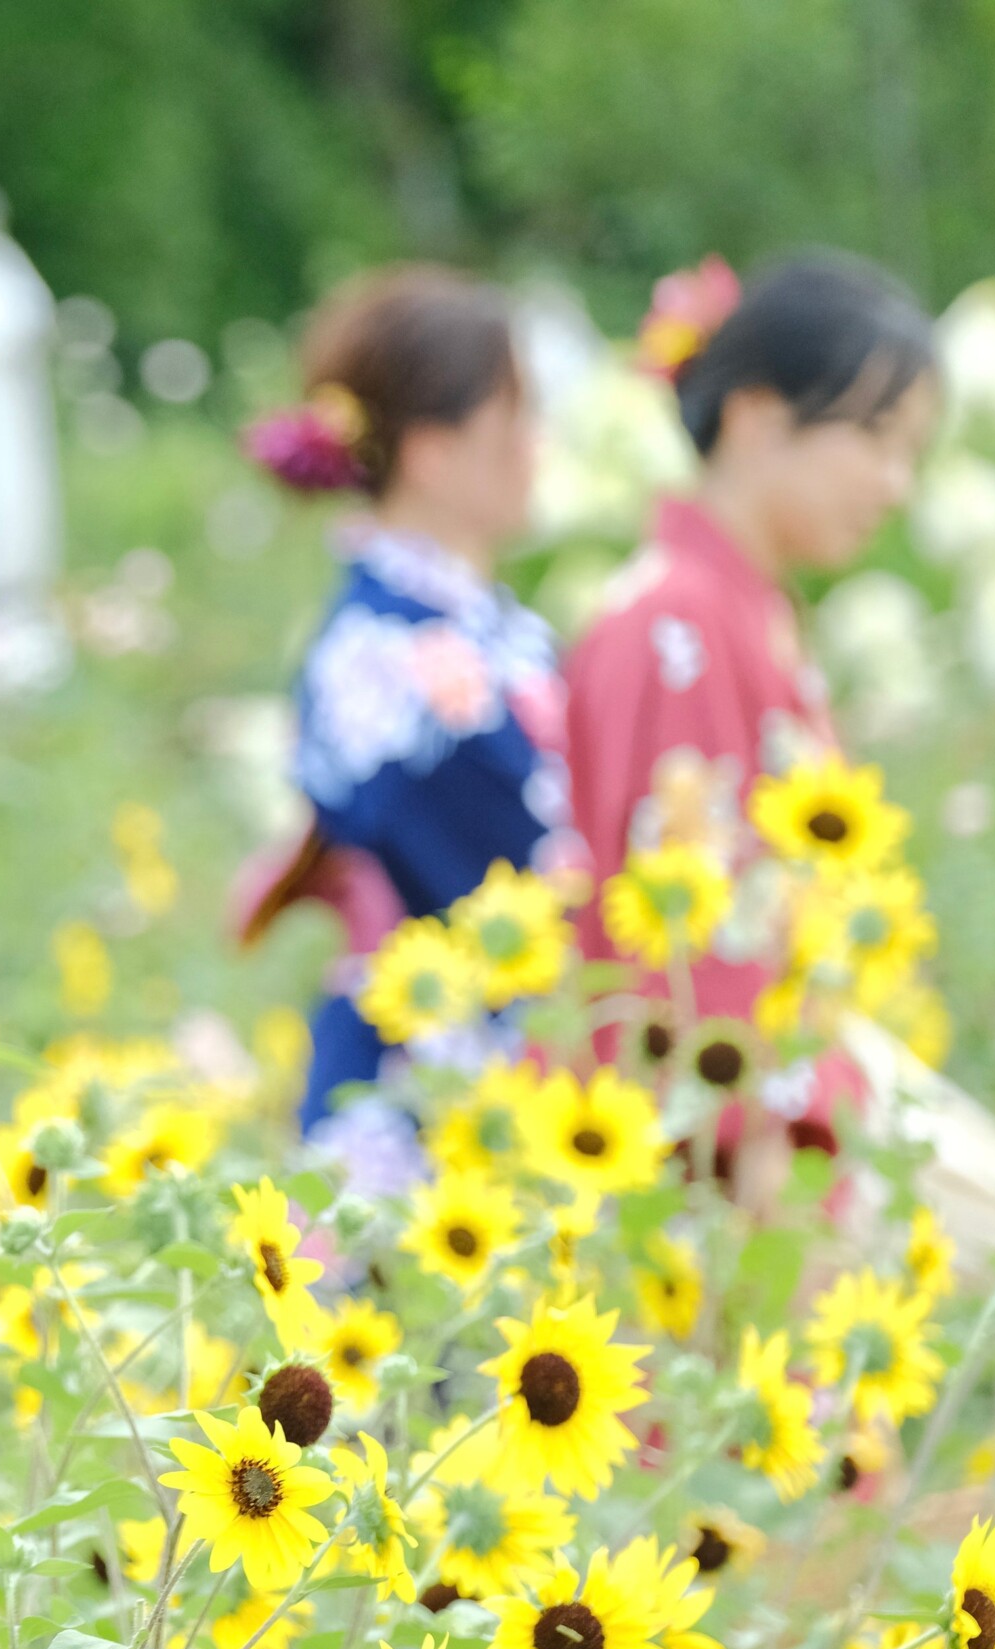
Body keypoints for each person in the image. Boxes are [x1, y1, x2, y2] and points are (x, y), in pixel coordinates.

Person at [564, 251, 939, 1167]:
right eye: (876, 438)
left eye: (912, 453)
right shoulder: (675, 624)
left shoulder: (740, 608)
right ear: (758, 418)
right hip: (728, 1158)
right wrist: (769, 1156)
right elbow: (690, 944)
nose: (896, 485)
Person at [233, 265, 583, 1186]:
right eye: (517, 422)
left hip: (506, 1070)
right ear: (431, 450)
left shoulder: (467, 627)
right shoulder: (381, 656)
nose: (537, 448)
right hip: (428, 1091)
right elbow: (514, 860)